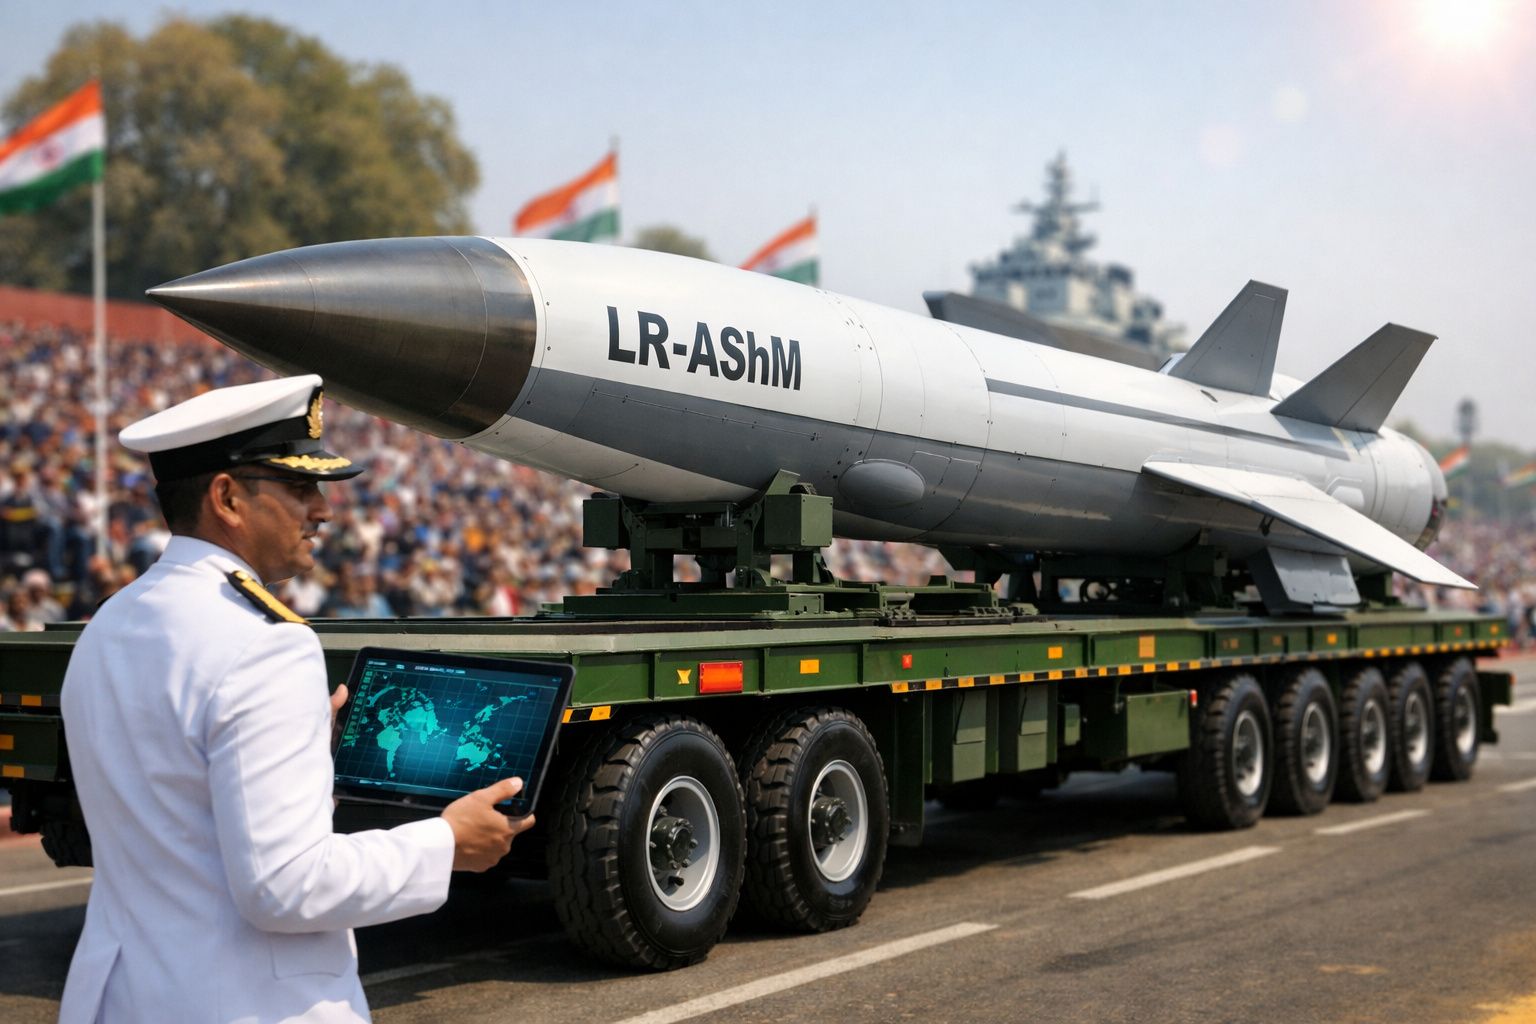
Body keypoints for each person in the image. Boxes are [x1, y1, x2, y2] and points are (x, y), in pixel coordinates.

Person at [58, 375, 535, 1024]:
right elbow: (285, 887)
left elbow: (178, 805)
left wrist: (304, 752)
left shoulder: (110, 624)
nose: (323, 510)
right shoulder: (265, 644)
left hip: (123, 998)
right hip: (244, 1003)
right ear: (227, 497)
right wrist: (446, 842)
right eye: (299, 487)